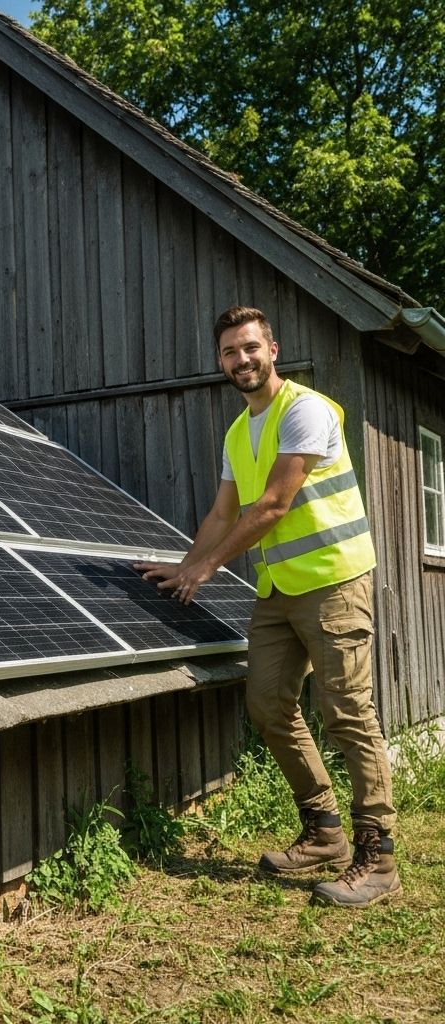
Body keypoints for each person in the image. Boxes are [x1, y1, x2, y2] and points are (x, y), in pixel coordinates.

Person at [134, 305, 399, 908]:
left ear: (272, 349)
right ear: (221, 362)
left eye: (250, 347)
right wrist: (184, 563)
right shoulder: (236, 433)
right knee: (269, 705)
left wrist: (207, 567)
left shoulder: (305, 410)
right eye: (229, 352)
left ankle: (379, 856)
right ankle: (324, 831)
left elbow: (276, 503)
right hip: (278, 591)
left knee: (347, 714)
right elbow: (223, 513)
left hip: (334, 581)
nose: (241, 360)